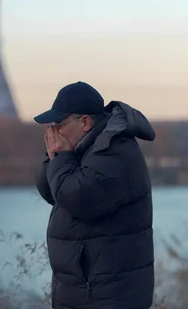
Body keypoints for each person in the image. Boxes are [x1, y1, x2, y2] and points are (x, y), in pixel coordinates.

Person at [34, 81, 156, 309]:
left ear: (85, 122)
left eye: (59, 123)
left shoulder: (114, 152)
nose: (53, 131)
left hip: (109, 296)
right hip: (85, 292)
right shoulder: (83, 148)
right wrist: (55, 155)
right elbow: (51, 192)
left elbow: (76, 198)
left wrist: (61, 158)